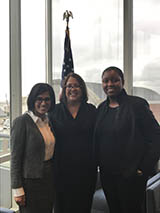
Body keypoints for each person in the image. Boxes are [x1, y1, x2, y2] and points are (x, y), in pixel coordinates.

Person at [94, 66, 160, 213]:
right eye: (106, 81)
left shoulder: (137, 105)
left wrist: (143, 169)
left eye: (114, 80)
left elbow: (156, 137)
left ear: (122, 82)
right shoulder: (101, 109)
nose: (110, 84)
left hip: (132, 176)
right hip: (108, 175)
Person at [49, 73, 97, 213]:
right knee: (62, 207)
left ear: (82, 89)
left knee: (84, 206)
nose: (73, 89)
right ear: (64, 89)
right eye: (69, 86)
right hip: (61, 171)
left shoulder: (91, 110)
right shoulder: (54, 111)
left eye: (77, 85)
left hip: (86, 171)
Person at [11, 83, 56, 213]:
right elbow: (15, 159)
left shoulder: (48, 121)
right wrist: (17, 189)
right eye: (39, 99)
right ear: (32, 100)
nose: (43, 103)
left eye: (47, 99)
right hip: (30, 184)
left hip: (48, 180)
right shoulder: (22, 122)